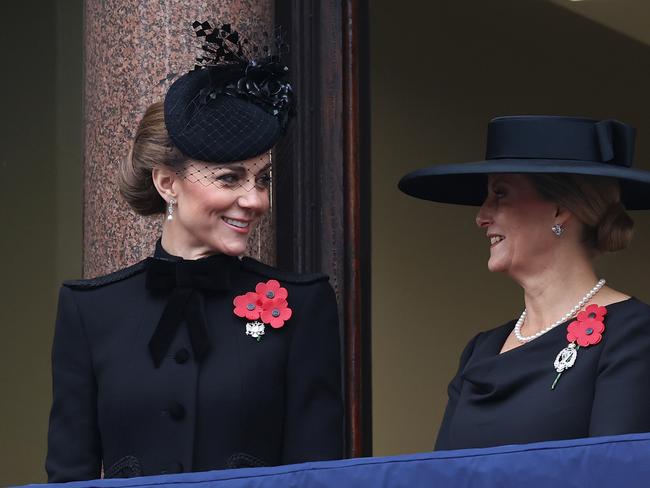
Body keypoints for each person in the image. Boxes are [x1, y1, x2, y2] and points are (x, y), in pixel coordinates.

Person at [46, 22, 343, 481]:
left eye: (261, 178)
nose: (256, 199)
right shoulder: (90, 310)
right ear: (168, 183)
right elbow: (69, 475)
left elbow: (320, 476)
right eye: (229, 179)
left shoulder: (305, 304)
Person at [399, 115, 650, 451]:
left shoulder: (633, 335)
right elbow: (441, 474)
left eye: (500, 194)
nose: (481, 217)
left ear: (560, 209)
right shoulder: (481, 349)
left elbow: (613, 472)